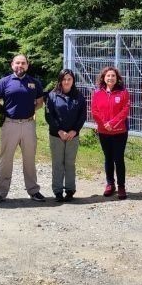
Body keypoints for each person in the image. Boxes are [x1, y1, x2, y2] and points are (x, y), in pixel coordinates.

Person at [0, 54, 45, 204]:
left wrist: (30, 110)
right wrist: (4, 112)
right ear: (12, 65)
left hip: (28, 124)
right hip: (10, 125)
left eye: (23, 63)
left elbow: (40, 103)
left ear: (27, 65)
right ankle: (0, 192)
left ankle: (33, 190)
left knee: (29, 159)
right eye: (17, 63)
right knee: (6, 159)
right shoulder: (4, 81)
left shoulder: (34, 82)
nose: (20, 66)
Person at [44, 69, 87, 202]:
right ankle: (57, 191)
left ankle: (70, 189)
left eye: (69, 79)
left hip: (73, 135)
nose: (66, 81)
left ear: (73, 80)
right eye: (64, 79)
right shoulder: (52, 95)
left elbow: (82, 115)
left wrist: (75, 130)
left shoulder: (79, 96)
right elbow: (48, 115)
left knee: (70, 163)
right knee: (57, 163)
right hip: (57, 135)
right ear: (60, 80)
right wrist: (59, 131)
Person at [91, 66, 130, 199]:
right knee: (108, 158)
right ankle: (110, 184)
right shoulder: (97, 93)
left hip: (120, 131)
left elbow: (125, 110)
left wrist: (112, 124)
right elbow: (94, 111)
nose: (110, 78)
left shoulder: (123, 92)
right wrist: (104, 125)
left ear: (117, 78)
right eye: (108, 76)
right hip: (104, 132)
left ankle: (121, 186)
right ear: (103, 77)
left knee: (118, 159)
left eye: (113, 76)